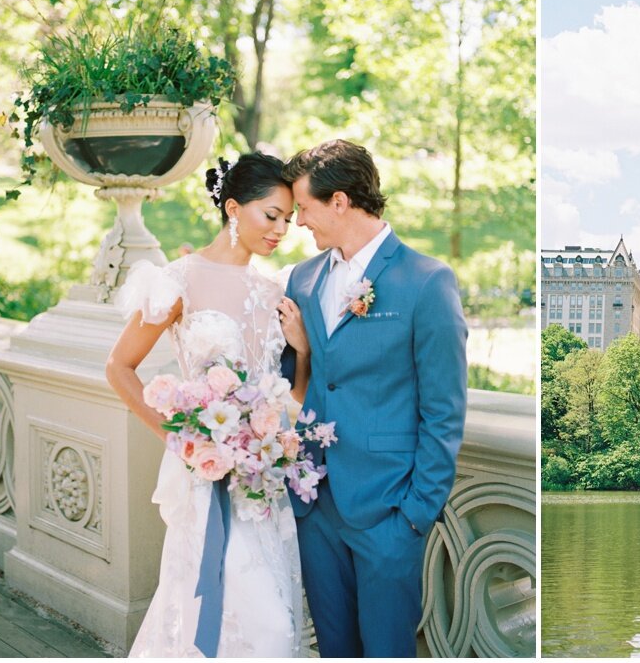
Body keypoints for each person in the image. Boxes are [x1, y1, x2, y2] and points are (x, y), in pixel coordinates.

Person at [105, 153, 311, 657]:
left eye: (287, 219)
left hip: (265, 483)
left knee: (277, 625)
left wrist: (301, 351)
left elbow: (295, 395)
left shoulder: (277, 291)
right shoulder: (179, 280)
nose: (281, 229)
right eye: (271, 215)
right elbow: (118, 368)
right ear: (234, 209)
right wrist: (183, 441)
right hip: (206, 478)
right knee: (212, 612)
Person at [281, 139, 467, 657]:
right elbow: (296, 380)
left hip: (389, 511)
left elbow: (443, 410)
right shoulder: (302, 279)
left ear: (339, 201)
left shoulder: (426, 281)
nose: (298, 222)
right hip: (316, 504)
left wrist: (413, 517)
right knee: (334, 650)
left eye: (304, 207)